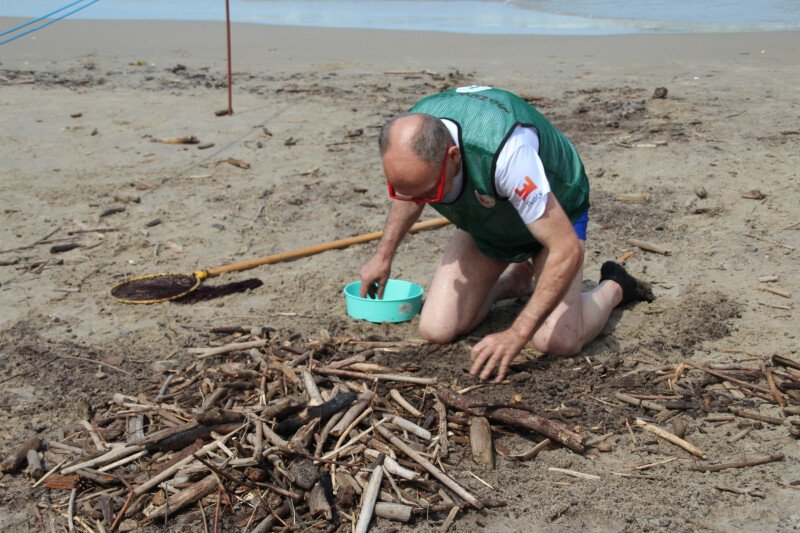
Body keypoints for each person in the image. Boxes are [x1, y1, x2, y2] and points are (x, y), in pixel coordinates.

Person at [359, 85, 653, 382]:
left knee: (557, 341)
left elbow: (566, 250)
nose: (422, 201)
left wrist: (517, 333)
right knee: (437, 329)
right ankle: (512, 281)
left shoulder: (507, 155)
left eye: (430, 192)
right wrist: (383, 256)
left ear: (452, 156)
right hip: (488, 217)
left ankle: (615, 286)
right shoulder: (412, 138)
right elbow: (409, 192)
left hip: (556, 212)